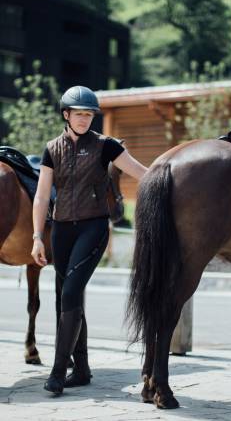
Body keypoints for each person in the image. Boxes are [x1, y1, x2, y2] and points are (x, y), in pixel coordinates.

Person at [31, 85, 147, 395]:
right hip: (61, 231)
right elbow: (42, 196)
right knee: (66, 299)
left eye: (89, 114)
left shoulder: (105, 146)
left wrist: (169, 181)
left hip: (93, 228)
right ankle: (81, 370)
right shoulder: (51, 148)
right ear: (66, 115)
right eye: (78, 114)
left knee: (70, 293)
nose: (84, 119)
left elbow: (138, 171)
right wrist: (37, 237)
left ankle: (58, 372)